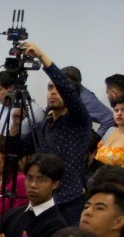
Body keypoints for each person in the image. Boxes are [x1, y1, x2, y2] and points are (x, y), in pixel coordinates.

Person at [7, 42, 93, 226]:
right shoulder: (43, 125)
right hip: (44, 201)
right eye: (49, 88)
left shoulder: (79, 120)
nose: (53, 92)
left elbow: (67, 89)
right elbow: (15, 151)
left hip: (70, 200)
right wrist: (15, 124)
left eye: (57, 88)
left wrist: (41, 56)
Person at [0, 153, 67, 237]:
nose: (33, 185)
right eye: (29, 178)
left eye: (41, 180)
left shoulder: (56, 225)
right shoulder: (12, 215)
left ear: (55, 184)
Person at [95, 96, 124, 169]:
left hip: (118, 177)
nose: (119, 113)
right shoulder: (111, 130)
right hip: (98, 175)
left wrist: (111, 175)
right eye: (116, 110)